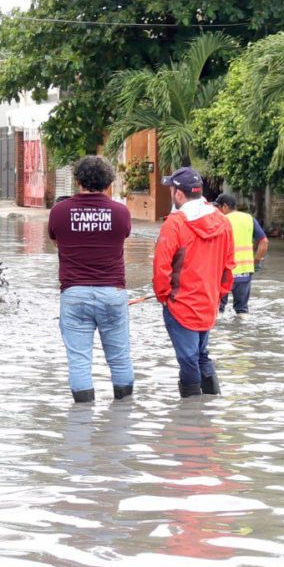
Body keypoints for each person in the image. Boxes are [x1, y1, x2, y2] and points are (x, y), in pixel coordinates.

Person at [48, 155, 134, 403]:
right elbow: (122, 238)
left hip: (74, 294)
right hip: (112, 293)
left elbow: (57, 242)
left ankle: (81, 424)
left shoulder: (59, 211)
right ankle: (124, 417)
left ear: (77, 180)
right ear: (109, 182)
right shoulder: (120, 212)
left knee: (79, 361)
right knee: (119, 357)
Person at [153, 168, 236, 398]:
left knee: (188, 360)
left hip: (180, 306)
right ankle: (209, 407)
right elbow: (229, 267)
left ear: (179, 194)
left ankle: (191, 415)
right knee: (200, 355)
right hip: (208, 304)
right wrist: (218, 295)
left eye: (171, 189)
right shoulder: (222, 221)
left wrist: (164, 297)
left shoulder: (175, 223)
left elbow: (161, 267)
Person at [214, 193, 269, 314]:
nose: (216, 211)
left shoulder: (220, 220)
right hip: (244, 272)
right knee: (242, 311)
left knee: (218, 309)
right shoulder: (249, 219)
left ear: (225, 207)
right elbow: (264, 242)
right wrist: (257, 261)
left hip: (223, 272)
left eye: (217, 207)